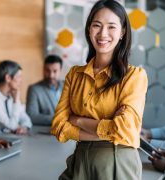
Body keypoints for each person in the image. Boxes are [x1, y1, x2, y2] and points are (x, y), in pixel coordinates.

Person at [51, 0, 148, 179]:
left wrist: (77, 120)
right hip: (80, 159)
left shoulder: (133, 76)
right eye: (97, 25)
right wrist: (106, 131)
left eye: (111, 27)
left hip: (116, 161)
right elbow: (58, 126)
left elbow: (125, 128)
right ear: (89, 29)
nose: (103, 33)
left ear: (122, 32)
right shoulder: (75, 75)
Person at [26, 55, 64, 126]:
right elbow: (32, 116)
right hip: (46, 132)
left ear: (60, 71)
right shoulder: (34, 89)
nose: (51, 75)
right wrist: (59, 119)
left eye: (55, 71)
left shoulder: (69, 86)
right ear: (43, 69)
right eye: (47, 71)